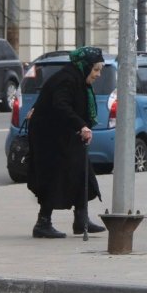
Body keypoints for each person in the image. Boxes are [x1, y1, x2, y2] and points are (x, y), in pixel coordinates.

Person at [27, 46, 107, 238]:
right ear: (85, 66)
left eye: (99, 70)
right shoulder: (67, 79)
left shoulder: (79, 80)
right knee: (53, 177)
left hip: (65, 134)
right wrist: (82, 126)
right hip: (50, 137)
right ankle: (42, 223)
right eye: (95, 69)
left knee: (82, 173)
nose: (97, 74)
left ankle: (81, 220)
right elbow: (60, 105)